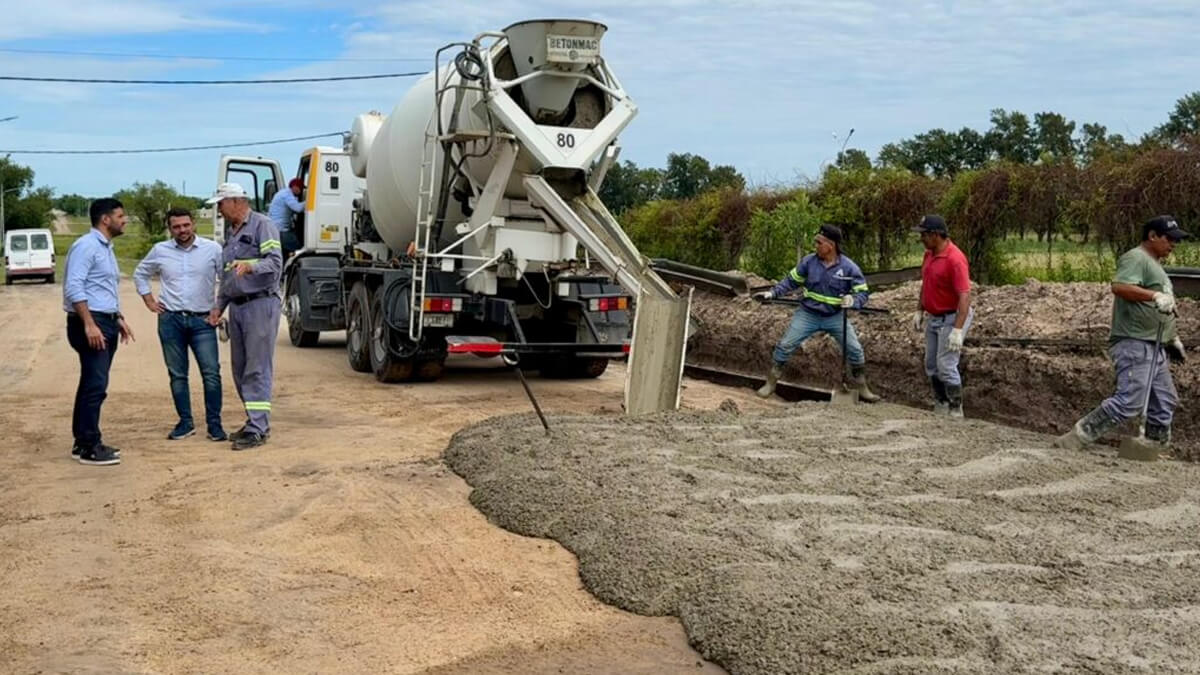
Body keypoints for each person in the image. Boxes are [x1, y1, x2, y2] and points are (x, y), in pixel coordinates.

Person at [1054, 216, 1190, 451]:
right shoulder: (1136, 257)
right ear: (1153, 236)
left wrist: (1171, 338)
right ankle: (1077, 437)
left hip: (1155, 344)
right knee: (1130, 401)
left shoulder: (1155, 265)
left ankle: (1152, 447)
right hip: (1136, 342)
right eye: (1169, 239)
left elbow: (1163, 309)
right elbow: (1120, 287)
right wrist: (1155, 296)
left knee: (1165, 399)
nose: (1173, 244)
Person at [754, 224, 880, 402]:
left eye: (819, 243)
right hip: (808, 314)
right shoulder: (809, 262)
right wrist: (772, 293)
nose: (816, 246)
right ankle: (771, 383)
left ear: (831, 245)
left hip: (835, 317)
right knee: (785, 345)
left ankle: (862, 388)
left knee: (855, 350)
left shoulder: (849, 268)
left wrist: (854, 301)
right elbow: (790, 282)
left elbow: (862, 292)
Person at [134, 207, 227, 442]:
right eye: (176, 227)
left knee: (211, 373)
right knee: (177, 374)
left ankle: (214, 425)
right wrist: (149, 300)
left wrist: (219, 308)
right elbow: (140, 273)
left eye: (186, 225)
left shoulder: (213, 249)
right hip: (171, 320)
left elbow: (227, 280)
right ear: (170, 228)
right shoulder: (160, 250)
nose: (182, 230)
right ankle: (185, 423)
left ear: (193, 223)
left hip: (203, 320)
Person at [209, 182, 283, 451]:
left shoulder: (263, 225)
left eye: (221, 203)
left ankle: (258, 428)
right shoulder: (232, 233)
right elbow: (228, 276)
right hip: (238, 307)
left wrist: (251, 266)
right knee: (240, 369)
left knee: (257, 368)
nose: (218, 209)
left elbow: (275, 264)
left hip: (260, 305)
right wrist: (219, 306)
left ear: (237, 201)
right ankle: (254, 421)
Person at [63, 198, 135, 466]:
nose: (124, 220)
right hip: (90, 323)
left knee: (92, 384)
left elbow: (101, 290)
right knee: (96, 385)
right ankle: (90, 446)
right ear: (106, 219)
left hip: (104, 320)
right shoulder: (87, 246)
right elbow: (75, 287)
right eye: (121, 215)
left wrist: (117, 318)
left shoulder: (105, 248)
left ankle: (82, 440)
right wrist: (90, 323)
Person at [911, 214, 973, 418]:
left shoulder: (955, 260)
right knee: (931, 364)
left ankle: (956, 408)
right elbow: (926, 283)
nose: (921, 239)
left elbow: (964, 296)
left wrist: (957, 329)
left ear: (936, 235)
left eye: (924, 235)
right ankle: (941, 402)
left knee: (946, 365)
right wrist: (920, 309)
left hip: (952, 316)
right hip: (934, 316)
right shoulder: (929, 254)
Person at [269, 177, 305, 258]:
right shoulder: (287, 195)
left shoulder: (283, 193)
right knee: (298, 251)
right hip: (281, 230)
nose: (301, 191)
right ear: (295, 187)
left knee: (284, 253)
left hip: (276, 228)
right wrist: (309, 201)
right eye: (301, 188)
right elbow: (298, 208)